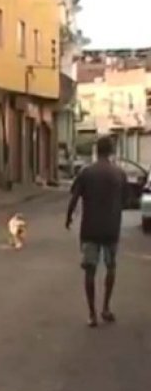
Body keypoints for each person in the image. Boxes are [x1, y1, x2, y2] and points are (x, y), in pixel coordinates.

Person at [66, 136, 125, 327]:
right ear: (111, 151)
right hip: (111, 228)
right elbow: (125, 200)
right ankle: (106, 307)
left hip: (90, 229)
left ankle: (92, 314)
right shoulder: (119, 173)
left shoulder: (86, 173)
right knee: (111, 267)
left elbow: (74, 198)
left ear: (96, 151)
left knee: (90, 270)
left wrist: (69, 217)